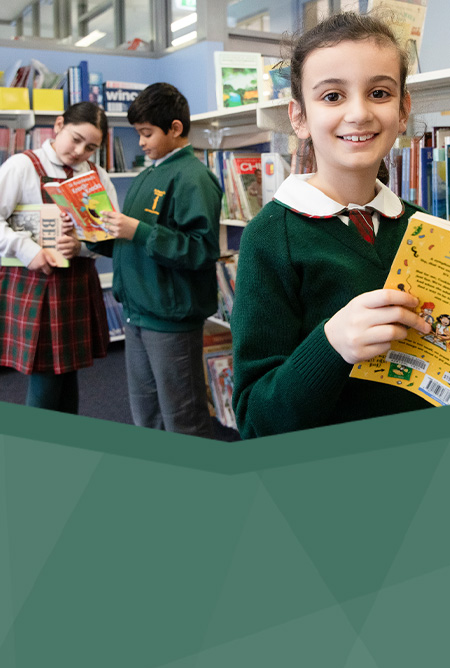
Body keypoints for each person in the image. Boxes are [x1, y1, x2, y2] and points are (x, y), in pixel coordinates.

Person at [231, 11, 433, 438]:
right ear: (299, 117)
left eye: (379, 92)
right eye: (333, 96)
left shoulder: (424, 229)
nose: (358, 113)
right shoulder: (271, 238)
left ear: (403, 110)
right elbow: (255, 421)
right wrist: (333, 344)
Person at [98, 82, 223, 438]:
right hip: (137, 311)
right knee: (146, 413)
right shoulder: (148, 174)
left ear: (175, 128)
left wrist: (137, 231)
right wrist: (92, 236)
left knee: (183, 418)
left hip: (171, 318)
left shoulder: (194, 178)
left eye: (146, 133)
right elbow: (133, 243)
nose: (140, 142)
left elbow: (200, 250)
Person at [0, 101, 119, 414]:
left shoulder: (97, 176)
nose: (79, 152)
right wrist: (28, 250)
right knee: (46, 380)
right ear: (58, 126)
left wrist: (81, 247)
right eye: (75, 139)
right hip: (34, 284)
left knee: (67, 377)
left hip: (77, 284)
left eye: (90, 147)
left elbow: (109, 235)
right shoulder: (22, 165)